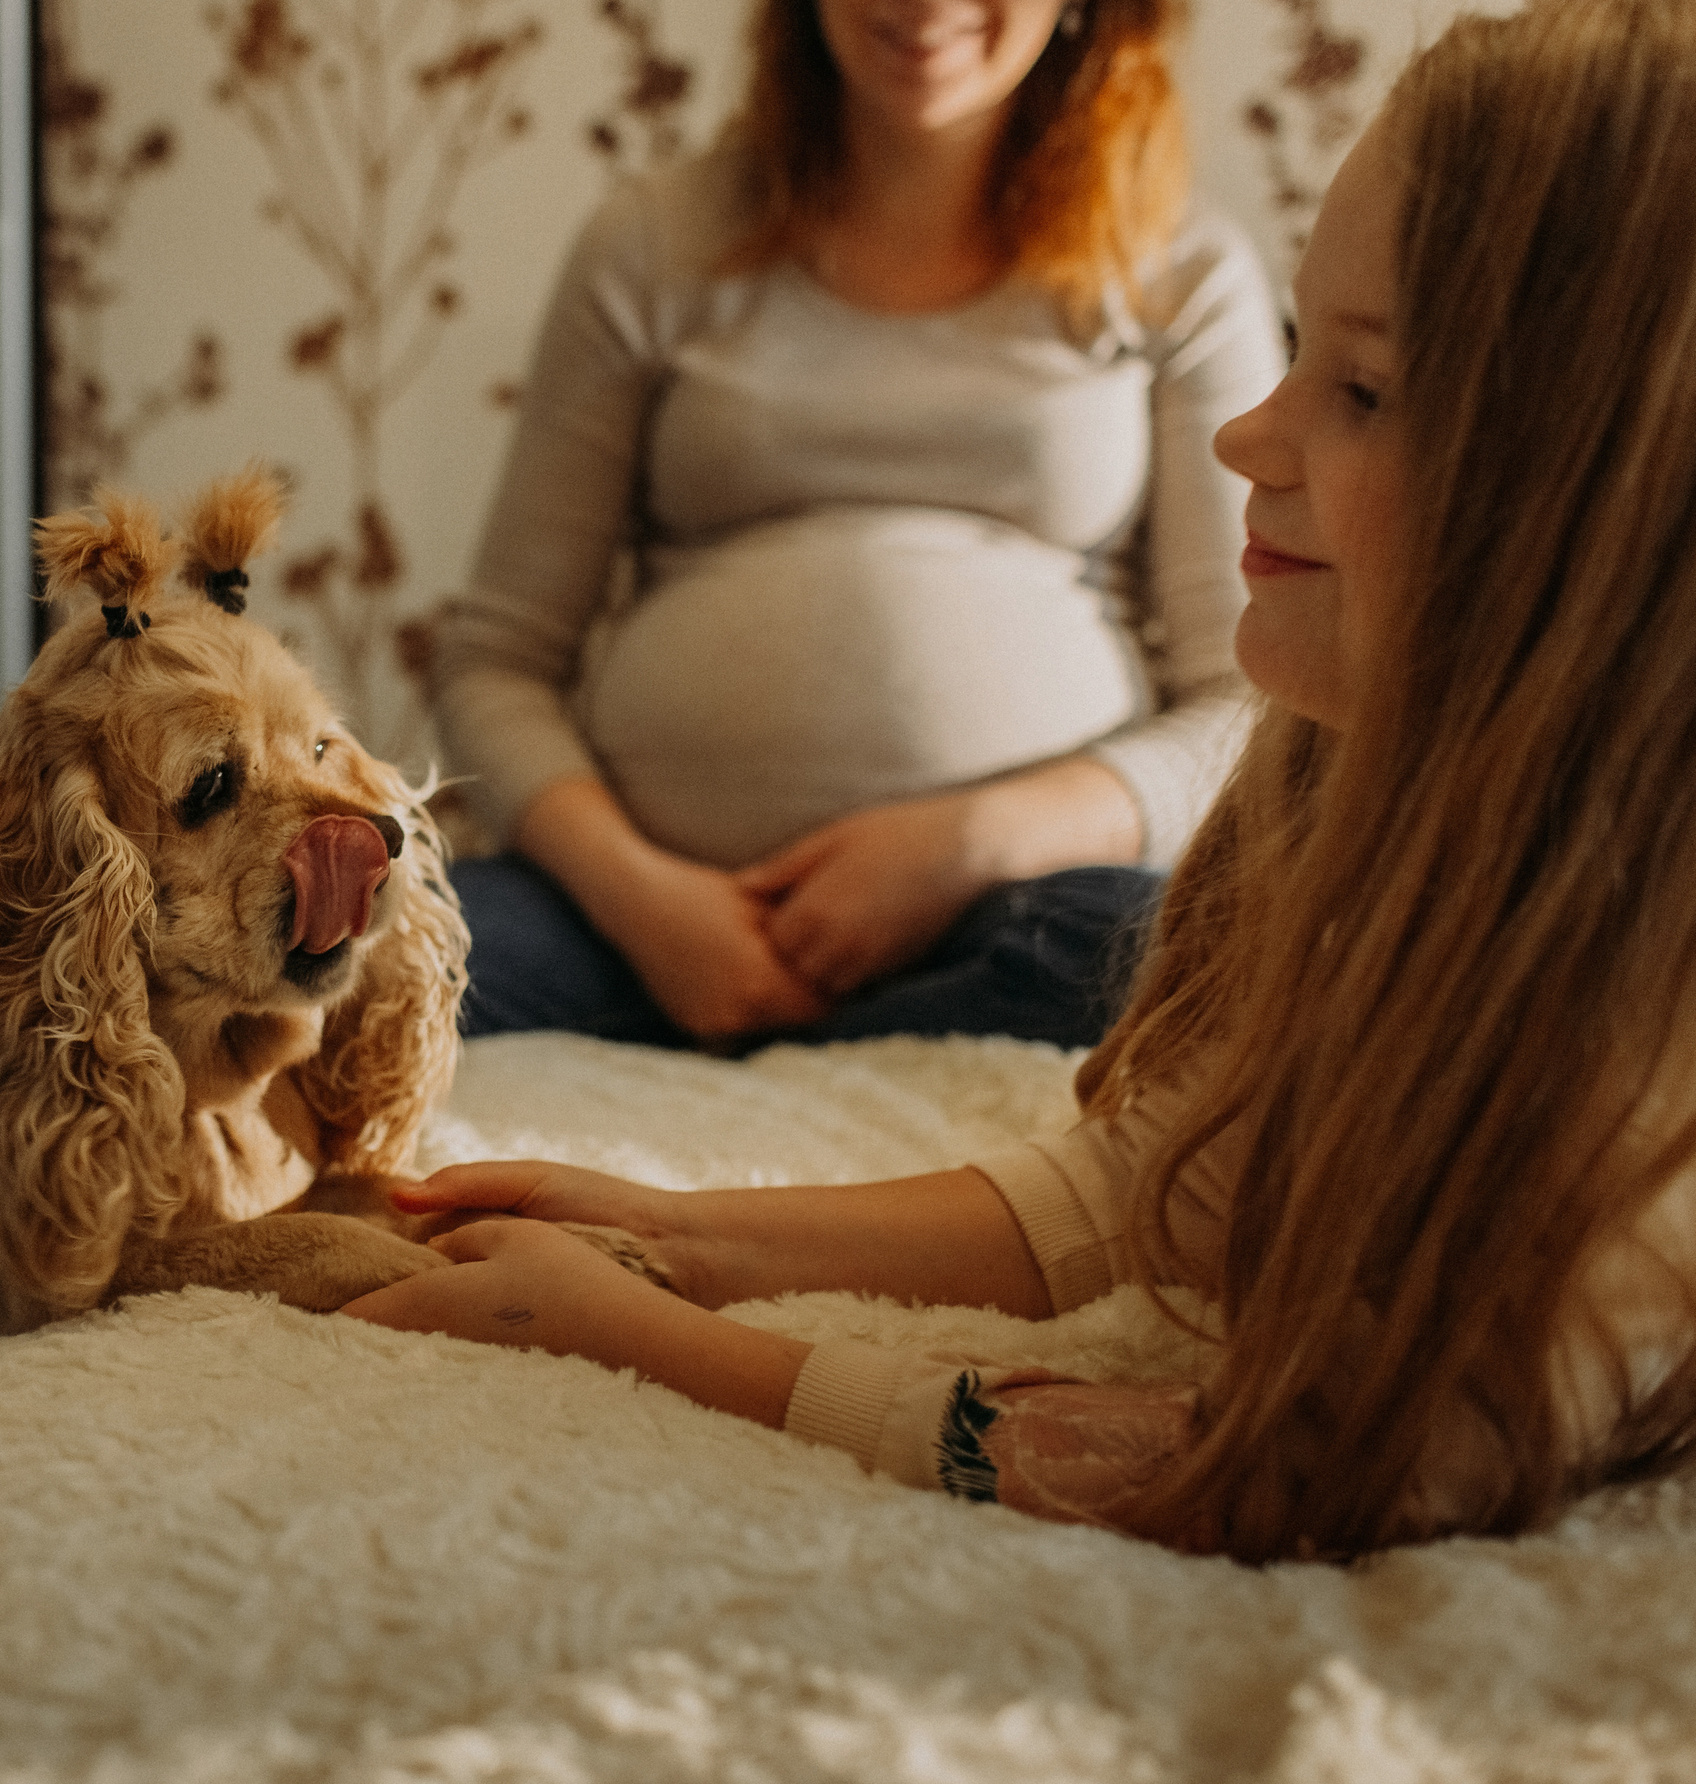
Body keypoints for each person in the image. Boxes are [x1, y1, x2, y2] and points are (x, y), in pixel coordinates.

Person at [354, 0, 1696, 1560]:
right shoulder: (658, 242)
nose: (1254, 430)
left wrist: (662, 1340)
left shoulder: (1640, 1089)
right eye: (1306, 367)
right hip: (635, 892)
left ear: (1593, 490)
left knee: (1088, 935)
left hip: (1005, 906)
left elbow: (1293, 1468)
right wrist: (676, 1230)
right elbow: (1142, 1186)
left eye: (1365, 392)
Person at [432, 0, 1283, 1050]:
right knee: (381, 958)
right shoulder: (652, 245)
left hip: (1015, 919)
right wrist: (646, 901)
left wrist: (972, 842)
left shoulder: (1180, 271)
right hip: (632, 926)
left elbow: (1252, 699)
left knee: (1166, 952)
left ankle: (829, 1067)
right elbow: (494, 664)